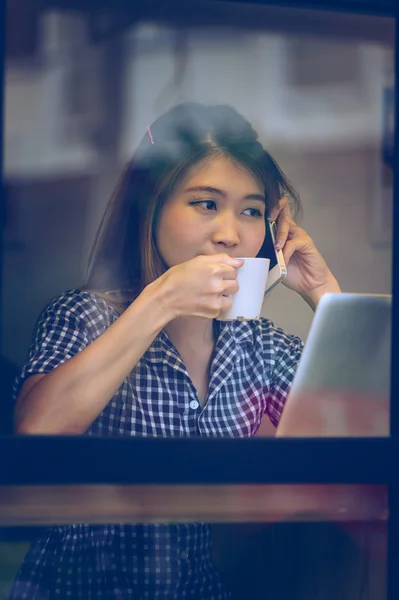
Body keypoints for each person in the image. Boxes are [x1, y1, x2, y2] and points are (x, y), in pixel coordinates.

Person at [10, 102, 341, 599]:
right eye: (206, 203)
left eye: (251, 211)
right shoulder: (83, 316)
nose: (229, 234)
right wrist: (161, 300)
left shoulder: (258, 345)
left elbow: (364, 437)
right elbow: (35, 434)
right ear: (153, 208)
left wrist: (325, 292)